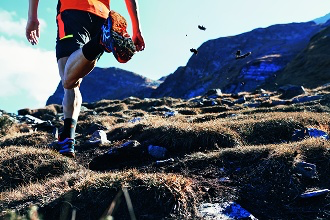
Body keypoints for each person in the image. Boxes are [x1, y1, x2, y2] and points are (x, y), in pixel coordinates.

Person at [26, 0, 145, 157]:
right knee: (74, 78)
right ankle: (67, 140)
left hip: (72, 9)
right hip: (102, 16)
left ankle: (100, 41)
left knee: (68, 79)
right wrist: (137, 28)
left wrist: (32, 17)